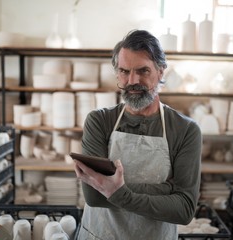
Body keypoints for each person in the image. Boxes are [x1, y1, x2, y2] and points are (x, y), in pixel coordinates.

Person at [73, 29, 202, 240]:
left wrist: (117, 191)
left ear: (161, 72)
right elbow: (94, 196)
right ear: (117, 73)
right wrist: (166, 190)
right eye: (124, 71)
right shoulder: (99, 121)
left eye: (143, 71)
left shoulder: (185, 130)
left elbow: (184, 209)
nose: (132, 80)